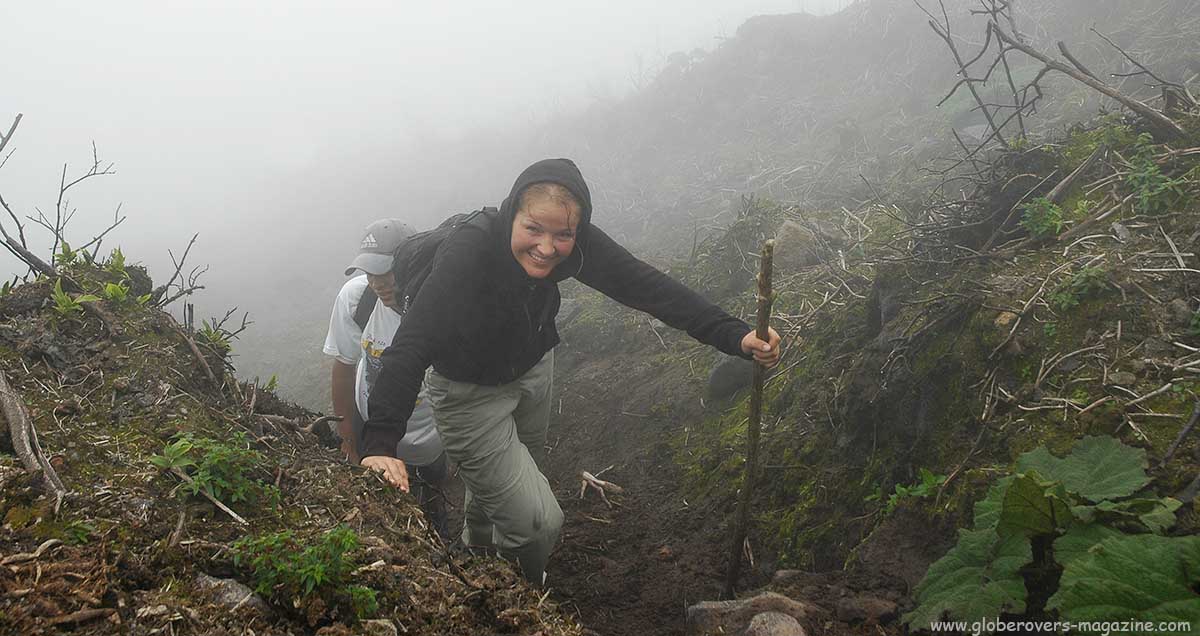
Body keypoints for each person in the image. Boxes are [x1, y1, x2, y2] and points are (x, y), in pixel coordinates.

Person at [361, 159, 781, 584]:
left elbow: (647, 287)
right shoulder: (470, 250)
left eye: (563, 234)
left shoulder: (577, 243)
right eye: (533, 229)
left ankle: (478, 554)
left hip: (533, 372)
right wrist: (380, 441)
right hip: (467, 393)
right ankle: (512, 595)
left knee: (503, 486)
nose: (547, 247)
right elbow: (413, 342)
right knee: (536, 524)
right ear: (512, 214)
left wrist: (734, 335)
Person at [322, 219, 451, 539]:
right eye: (370, 272)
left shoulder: (443, 303)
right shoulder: (357, 301)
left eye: (386, 271)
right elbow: (344, 367)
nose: (377, 282)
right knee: (386, 518)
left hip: (433, 434)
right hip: (375, 429)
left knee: (435, 494)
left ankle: (439, 530)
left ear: (412, 261)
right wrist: (349, 442)